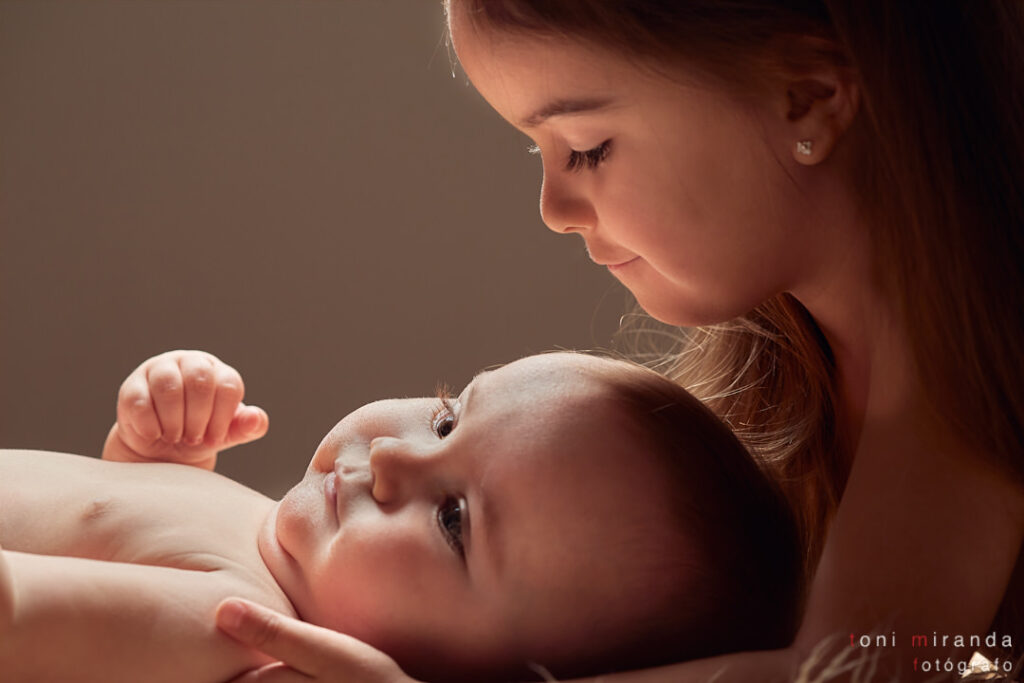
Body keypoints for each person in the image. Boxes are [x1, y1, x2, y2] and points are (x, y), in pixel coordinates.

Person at [207, 2, 1024, 682]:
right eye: (540, 151)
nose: (553, 207)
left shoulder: (954, 393)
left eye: (586, 149)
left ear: (805, 98)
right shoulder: (806, 366)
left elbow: (856, 670)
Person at [0, 349, 800, 682]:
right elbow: (95, 559)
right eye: (449, 417)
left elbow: (21, 621)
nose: (389, 459)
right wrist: (148, 458)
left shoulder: (234, 621)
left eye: (453, 519)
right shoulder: (255, 541)